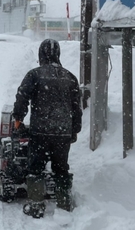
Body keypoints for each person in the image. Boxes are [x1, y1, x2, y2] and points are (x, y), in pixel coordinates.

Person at [12, 39, 82, 218]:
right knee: (61, 168)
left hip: (40, 132)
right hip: (63, 133)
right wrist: (74, 130)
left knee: (36, 168)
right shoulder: (70, 77)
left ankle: (36, 205)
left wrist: (18, 120)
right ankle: (64, 204)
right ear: (58, 55)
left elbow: (22, 97)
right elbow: (76, 108)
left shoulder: (34, 75)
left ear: (40, 55)